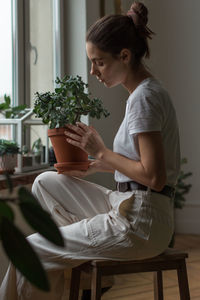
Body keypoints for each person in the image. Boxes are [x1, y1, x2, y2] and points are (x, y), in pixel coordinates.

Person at [0, 1, 180, 299]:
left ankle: (69, 258)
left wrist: (102, 153)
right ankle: (74, 256)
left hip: (139, 224)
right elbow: (142, 166)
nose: (93, 71)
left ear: (124, 56)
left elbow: (155, 177)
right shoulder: (146, 92)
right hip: (132, 207)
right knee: (46, 182)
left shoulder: (143, 100)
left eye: (99, 62)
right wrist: (99, 166)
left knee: (31, 248)